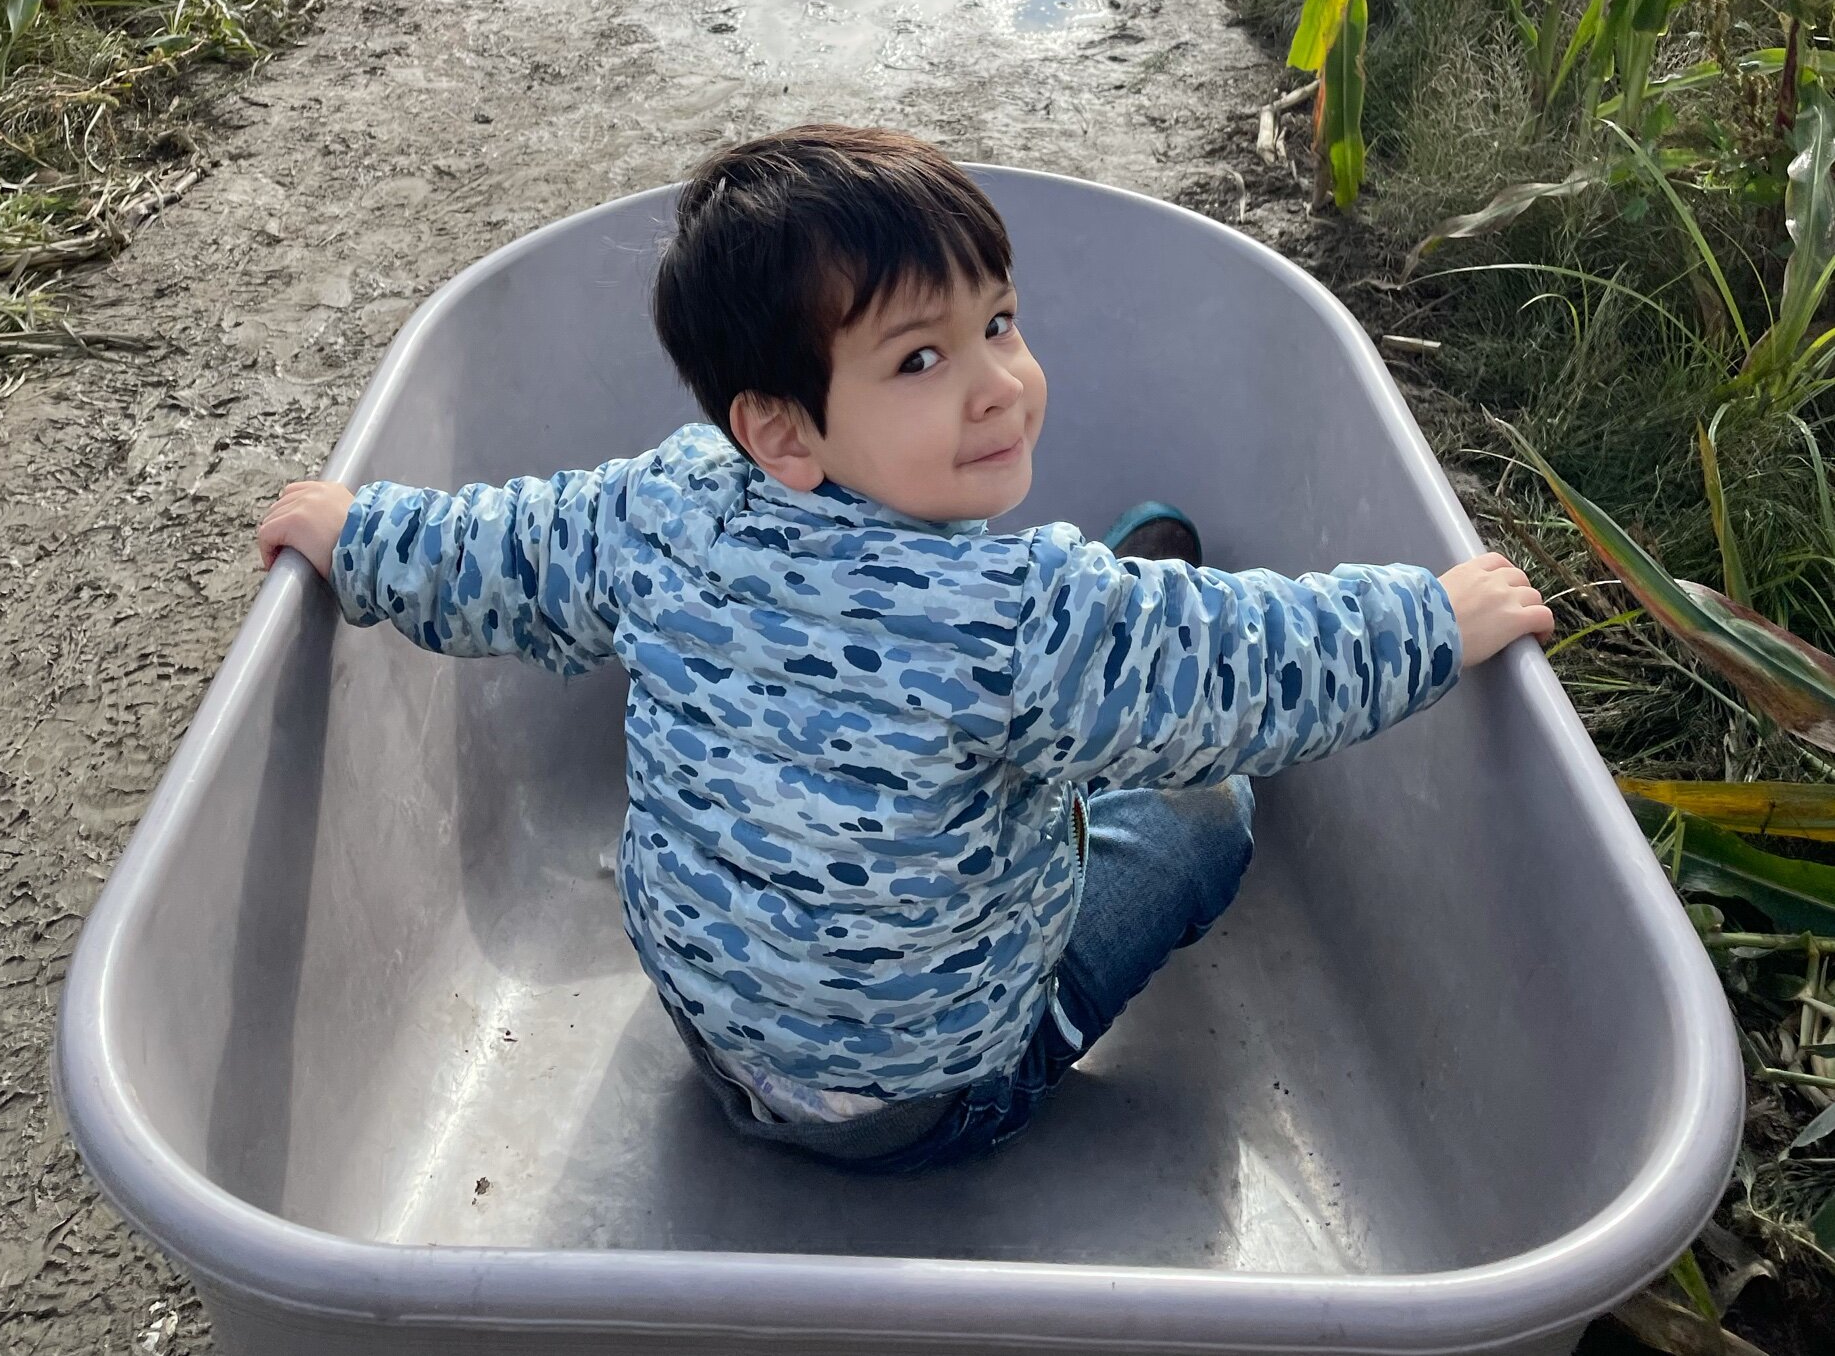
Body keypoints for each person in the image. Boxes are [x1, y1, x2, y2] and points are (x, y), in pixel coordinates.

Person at [257, 124, 1552, 1172]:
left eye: (999, 321)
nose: (1000, 382)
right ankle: (1123, 647)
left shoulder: (661, 505)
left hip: (711, 1045)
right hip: (932, 1102)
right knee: (1205, 798)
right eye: (922, 357)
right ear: (783, 432)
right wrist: (1436, 621)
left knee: (1084, 665)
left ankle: (1120, 632)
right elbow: (1248, 669)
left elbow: (502, 554)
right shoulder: (1009, 611)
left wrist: (357, 534)